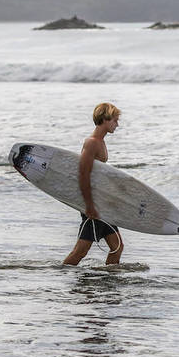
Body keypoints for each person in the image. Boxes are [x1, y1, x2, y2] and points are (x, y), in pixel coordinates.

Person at [63, 102, 124, 266]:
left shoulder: (101, 142)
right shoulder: (92, 143)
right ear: (106, 119)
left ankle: (109, 282)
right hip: (94, 207)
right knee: (80, 252)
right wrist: (89, 206)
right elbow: (83, 175)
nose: (117, 125)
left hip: (102, 205)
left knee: (117, 248)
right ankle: (59, 276)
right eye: (115, 120)